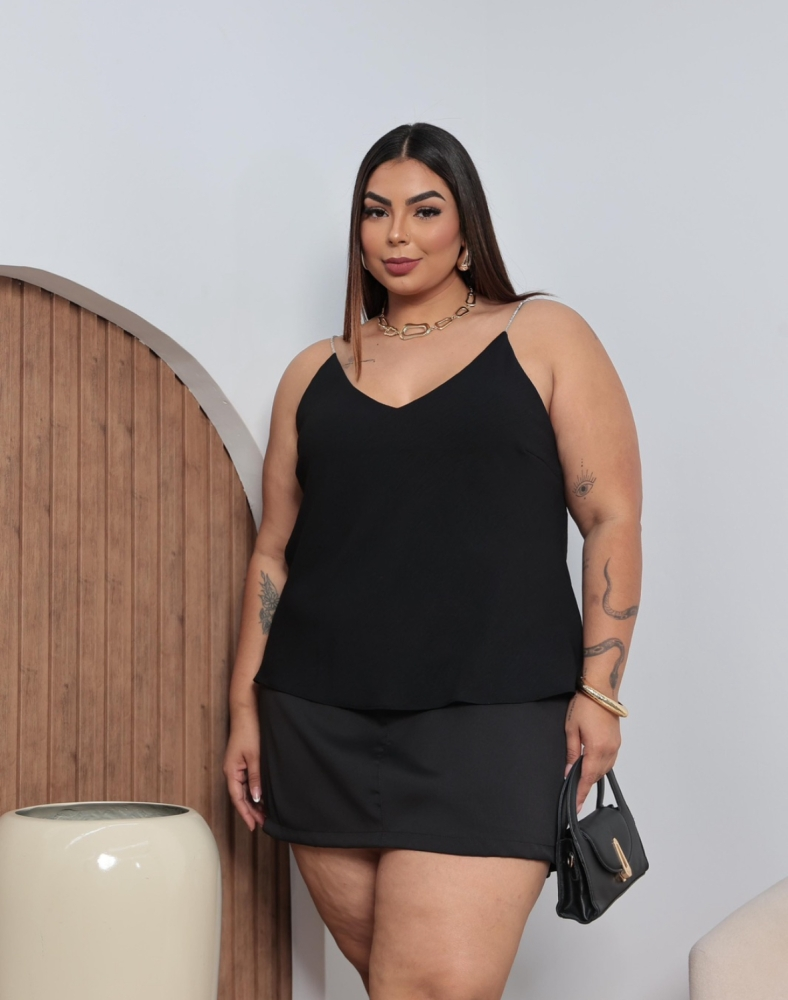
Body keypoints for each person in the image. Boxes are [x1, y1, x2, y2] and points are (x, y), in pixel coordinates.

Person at [223, 122, 642, 999]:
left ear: (466, 229)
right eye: (375, 212)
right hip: (317, 719)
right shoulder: (313, 372)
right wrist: (244, 708)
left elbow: (611, 518)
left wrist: (601, 691)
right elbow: (275, 554)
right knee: (394, 987)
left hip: (492, 716)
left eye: (424, 210)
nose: (396, 234)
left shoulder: (542, 334)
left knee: (435, 987)